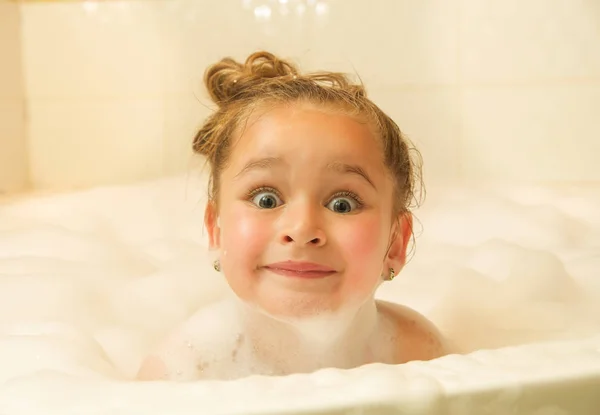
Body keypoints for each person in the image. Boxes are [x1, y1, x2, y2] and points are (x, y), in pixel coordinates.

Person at [137, 51, 449, 381]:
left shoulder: (418, 358)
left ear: (396, 243)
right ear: (216, 230)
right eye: (266, 199)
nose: (302, 229)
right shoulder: (181, 374)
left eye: (342, 204)